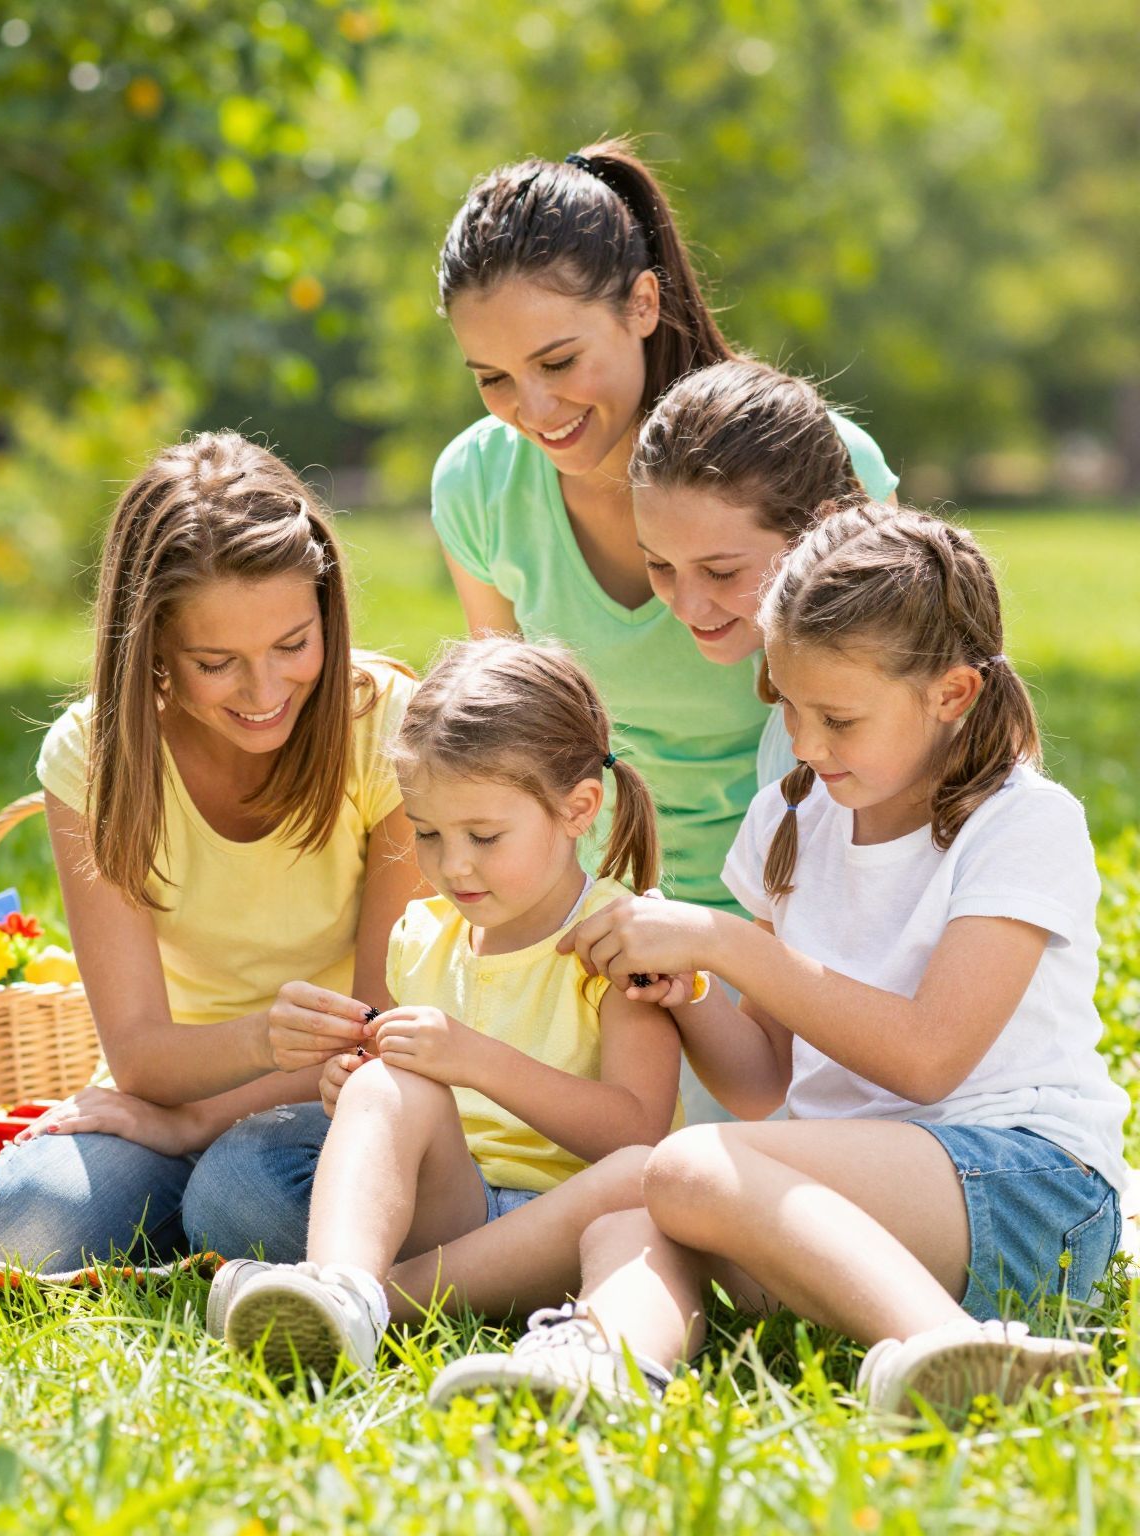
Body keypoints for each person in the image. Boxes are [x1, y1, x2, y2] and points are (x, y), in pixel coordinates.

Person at [434, 506, 1128, 1419]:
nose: (804, 744)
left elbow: (929, 1058)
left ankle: (944, 1349)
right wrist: (690, 995)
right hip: (848, 1195)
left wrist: (726, 943)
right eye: (787, 706)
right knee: (637, 1212)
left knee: (682, 1171)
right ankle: (605, 1366)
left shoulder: (1020, 823)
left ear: (951, 693)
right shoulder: (790, 818)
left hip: (1026, 1187)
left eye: (838, 717)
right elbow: (765, 1082)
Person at [0, 432, 425, 1269]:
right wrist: (219, 1074)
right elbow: (139, 1052)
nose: (265, 691)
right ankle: (183, 1212)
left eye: (293, 645)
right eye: (216, 663)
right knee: (18, 1228)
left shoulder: (385, 725)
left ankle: (193, 1211)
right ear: (155, 648)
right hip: (168, 1091)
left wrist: (196, 1126)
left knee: (245, 1202)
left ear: (327, 612)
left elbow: (377, 1035)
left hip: (335, 1096)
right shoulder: (93, 755)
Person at [429, 140, 897, 913]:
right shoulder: (479, 486)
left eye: (557, 361)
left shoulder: (824, 462)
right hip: (600, 920)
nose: (534, 411)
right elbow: (504, 749)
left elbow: (917, 724)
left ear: (642, 304)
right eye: (493, 379)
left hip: (809, 912)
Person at [209, 639, 683, 1380]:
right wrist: (356, 1086)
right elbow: (411, 1102)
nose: (452, 863)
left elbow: (635, 1131)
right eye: (428, 834)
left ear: (577, 809)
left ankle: (373, 1300)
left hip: (565, 1225)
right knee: (370, 1095)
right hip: (448, 1214)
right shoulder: (422, 935)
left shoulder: (615, 941)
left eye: (484, 837)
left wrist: (479, 1062)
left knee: (651, 1176)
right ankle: (340, 1294)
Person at [631, 357, 868, 787]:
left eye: (720, 572)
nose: (685, 607)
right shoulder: (801, 690)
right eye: (659, 564)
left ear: (817, 532)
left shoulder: (863, 725)